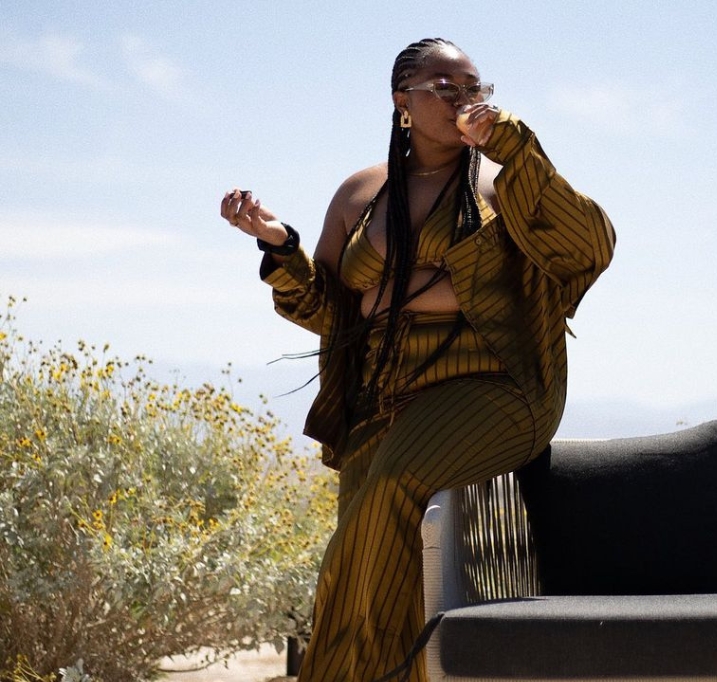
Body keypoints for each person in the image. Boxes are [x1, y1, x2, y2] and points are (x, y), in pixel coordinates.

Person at [219, 37, 614, 682]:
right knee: (365, 543)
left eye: (474, 86)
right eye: (444, 86)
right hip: (385, 396)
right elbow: (326, 308)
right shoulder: (361, 192)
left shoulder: (505, 183)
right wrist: (278, 244)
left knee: (393, 488)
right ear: (402, 101)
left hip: (494, 386)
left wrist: (512, 144)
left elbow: (589, 245)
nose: (464, 98)